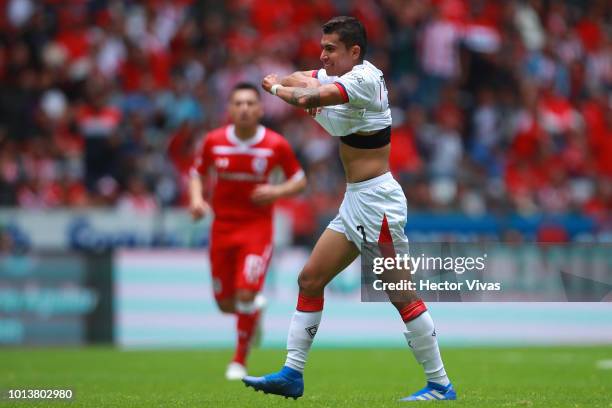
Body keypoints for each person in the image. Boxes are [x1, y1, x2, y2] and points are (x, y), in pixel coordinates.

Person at [242, 16, 455, 401]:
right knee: (309, 279)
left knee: (401, 293)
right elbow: (300, 80)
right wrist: (290, 82)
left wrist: (275, 86)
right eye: (321, 48)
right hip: (356, 201)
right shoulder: (340, 75)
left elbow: (304, 95)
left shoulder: (364, 81)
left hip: (379, 203)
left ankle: (440, 384)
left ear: (354, 52)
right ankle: (292, 373)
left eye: (330, 49)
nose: (322, 56)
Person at [189, 82, 307, 380]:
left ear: (260, 109)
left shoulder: (275, 144)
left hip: (256, 228)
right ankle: (254, 315)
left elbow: (300, 179)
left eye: (250, 103)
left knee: (245, 292)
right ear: (229, 109)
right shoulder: (214, 141)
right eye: (238, 103)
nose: (244, 109)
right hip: (222, 228)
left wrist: (276, 191)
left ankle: (239, 359)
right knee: (226, 304)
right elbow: (197, 173)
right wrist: (196, 199)